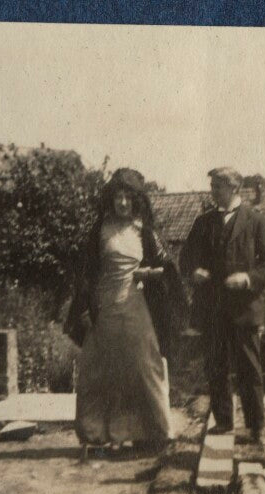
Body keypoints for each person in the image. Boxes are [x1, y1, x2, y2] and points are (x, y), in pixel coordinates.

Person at [64, 168, 180, 452]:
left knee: (144, 367)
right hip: (103, 309)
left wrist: (150, 275)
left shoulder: (146, 232)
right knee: (96, 371)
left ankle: (154, 434)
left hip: (136, 308)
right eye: (118, 197)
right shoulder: (99, 230)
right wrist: (84, 310)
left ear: (137, 200)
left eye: (128, 197)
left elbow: (168, 269)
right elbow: (86, 275)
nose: (123, 203)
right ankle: (97, 435)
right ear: (110, 200)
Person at [180, 167, 265, 444]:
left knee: (249, 368)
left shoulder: (255, 220)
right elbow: (186, 257)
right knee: (216, 366)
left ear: (234, 188)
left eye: (217, 187)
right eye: (212, 187)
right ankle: (223, 421)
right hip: (212, 309)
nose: (212, 192)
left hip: (244, 308)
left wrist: (247, 278)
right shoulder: (203, 222)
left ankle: (256, 426)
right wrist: (194, 272)